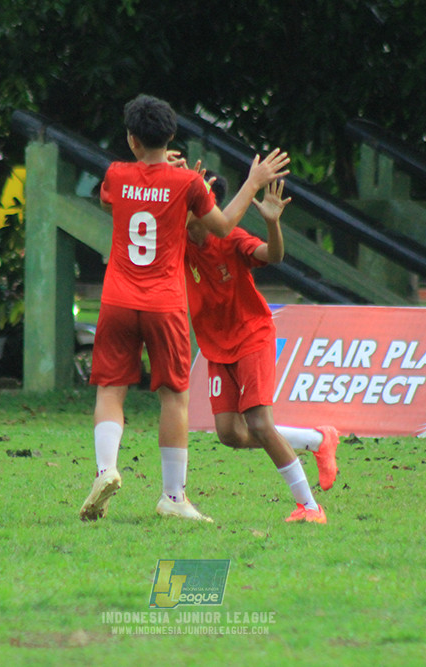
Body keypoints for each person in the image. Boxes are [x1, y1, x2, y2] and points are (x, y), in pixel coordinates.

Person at [78, 93, 290, 523]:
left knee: (110, 390)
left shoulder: (116, 174)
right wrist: (251, 183)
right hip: (164, 303)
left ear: (132, 139)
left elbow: (110, 199)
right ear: (171, 135)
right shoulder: (188, 184)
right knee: (173, 398)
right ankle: (172, 497)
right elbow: (223, 227)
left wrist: (152, 170)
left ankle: (106, 469)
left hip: (117, 299)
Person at [185, 173, 337, 524]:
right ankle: (317, 440)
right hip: (216, 346)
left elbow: (274, 255)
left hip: (251, 336)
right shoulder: (179, 241)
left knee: (259, 422)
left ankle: (310, 507)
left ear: (207, 208)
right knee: (229, 433)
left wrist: (272, 223)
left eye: (190, 201)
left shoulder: (231, 238)